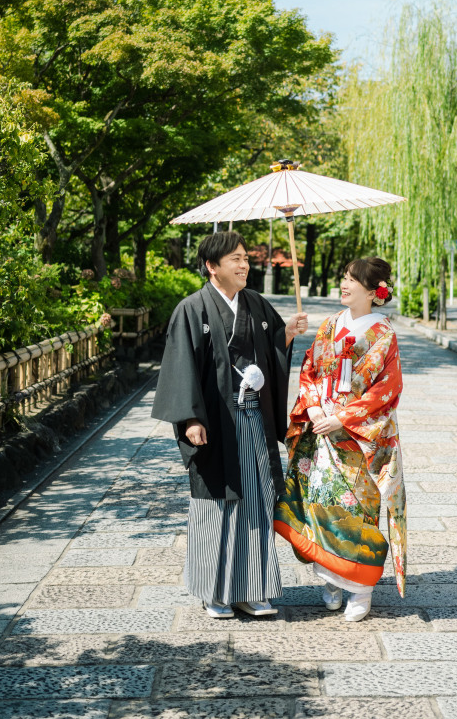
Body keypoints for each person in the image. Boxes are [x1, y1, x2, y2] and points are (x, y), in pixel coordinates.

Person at [151, 230, 308, 619]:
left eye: (244, 258)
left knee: (256, 501)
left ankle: (251, 588)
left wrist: (286, 334)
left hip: (252, 418)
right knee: (216, 503)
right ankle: (214, 591)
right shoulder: (191, 310)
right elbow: (181, 368)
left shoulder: (254, 303)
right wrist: (190, 419)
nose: (244, 265)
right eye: (235, 259)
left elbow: (271, 348)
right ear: (211, 266)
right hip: (215, 422)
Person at [274, 256, 407, 622]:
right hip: (322, 431)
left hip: (357, 438)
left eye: (352, 280)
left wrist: (342, 418)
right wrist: (315, 408)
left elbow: (387, 389)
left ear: (373, 290)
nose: (344, 284)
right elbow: (310, 368)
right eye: (344, 277)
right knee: (319, 501)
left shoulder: (383, 334)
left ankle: (359, 589)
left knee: (356, 508)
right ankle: (331, 580)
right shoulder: (331, 324)